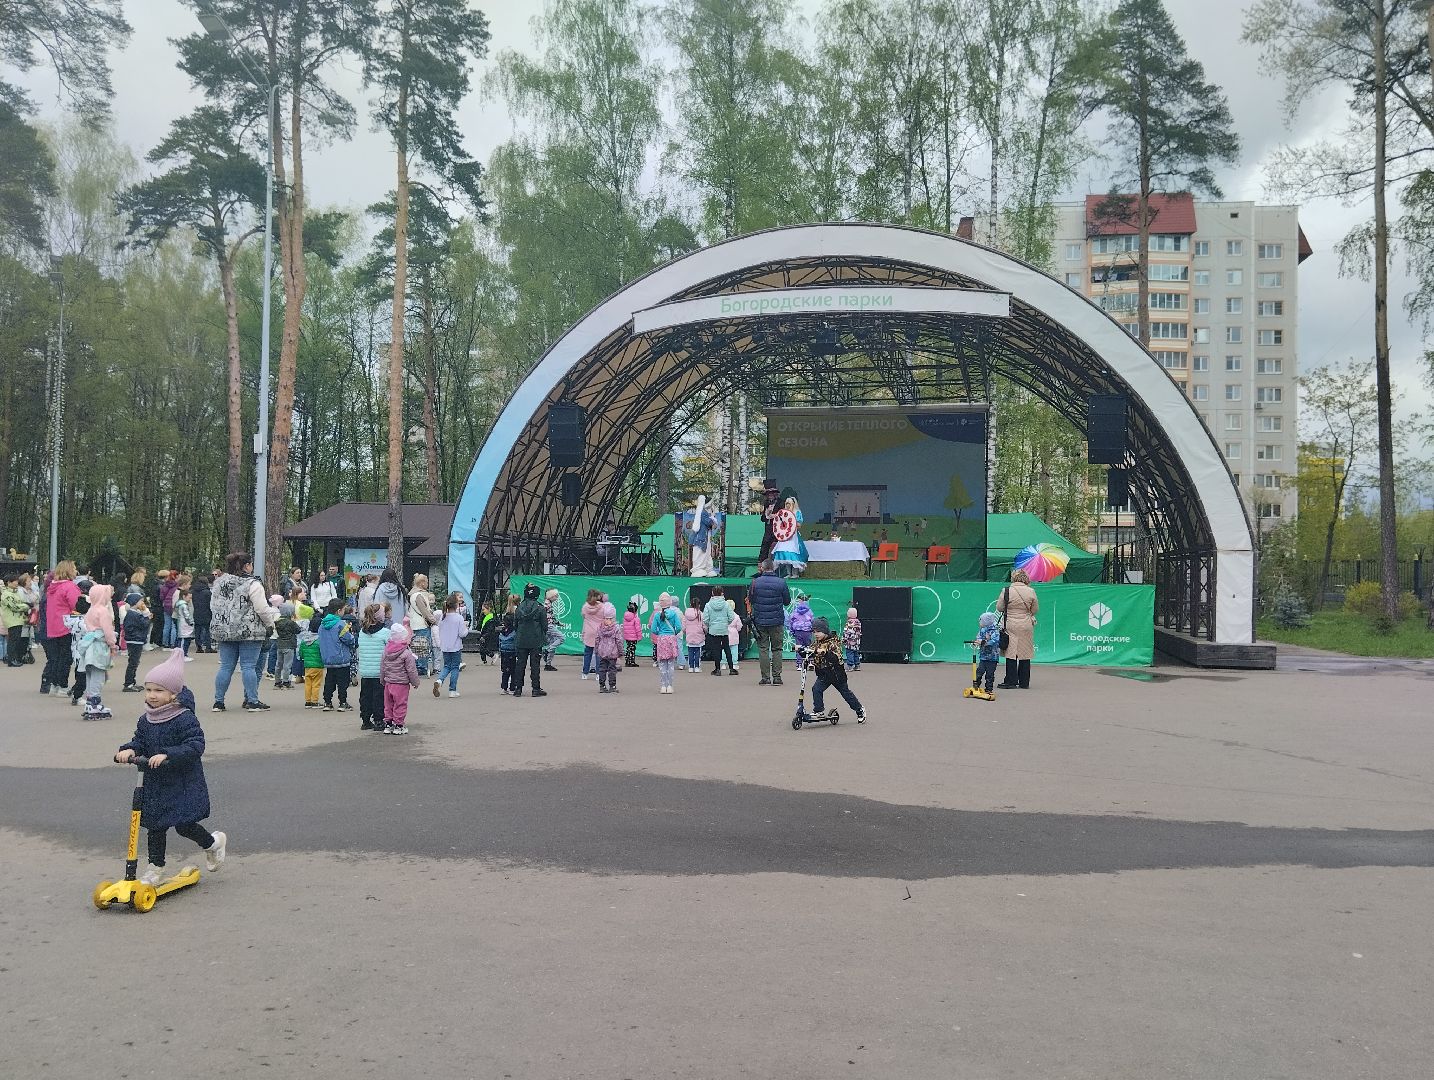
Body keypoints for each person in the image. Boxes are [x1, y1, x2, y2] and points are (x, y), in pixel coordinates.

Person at [114, 648, 227, 886]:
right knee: (155, 826)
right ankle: (155, 868)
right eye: (148, 690)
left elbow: (195, 745)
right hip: (155, 782)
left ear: (173, 694)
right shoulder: (146, 719)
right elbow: (140, 741)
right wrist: (130, 749)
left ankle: (213, 844)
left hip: (182, 782)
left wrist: (168, 754)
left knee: (184, 825)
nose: (152, 695)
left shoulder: (184, 717)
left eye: (159, 690)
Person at [209, 553, 278, 713]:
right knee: (248, 666)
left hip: (225, 630)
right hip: (249, 631)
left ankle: (218, 702)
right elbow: (261, 608)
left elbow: (213, 605)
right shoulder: (253, 584)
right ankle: (252, 701)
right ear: (247, 566)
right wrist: (270, 624)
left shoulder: (219, 583)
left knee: (226, 667)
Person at [808, 617, 866, 723]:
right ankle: (818, 711)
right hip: (824, 674)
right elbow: (811, 651)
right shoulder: (816, 642)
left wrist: (825, 653)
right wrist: (803, 651)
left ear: (825, 631)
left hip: (836, 674)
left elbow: (836, 658)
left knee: (846, 693)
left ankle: (859, 710)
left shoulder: (833, 642)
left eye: (818, 632)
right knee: (816, 689)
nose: (816, 634)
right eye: (814, 632)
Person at [748, 559, 790, 686]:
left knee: (763, 649)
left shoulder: (755, 582)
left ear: (762, 568)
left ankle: (765, 677)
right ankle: (777, 677)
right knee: (777, 649)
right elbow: (787, 601)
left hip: (760, 620)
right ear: (774, 568)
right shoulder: (781, 582)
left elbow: (751, 599)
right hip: (777, 621)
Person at [996, 569, 1039, 689]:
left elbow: (999, 608)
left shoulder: (1007, 590)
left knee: (1011, 652)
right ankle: (1024, 682)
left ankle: (1011, 680)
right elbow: (1035, 609)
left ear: (1013, 578)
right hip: (1026, 625)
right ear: (1026, 578)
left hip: (1010, 624)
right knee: (1025, 652)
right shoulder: (1031, 591)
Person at [43, 561, 81, 694]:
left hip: (53, 625)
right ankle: (63, 686)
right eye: (74, 568)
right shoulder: (69, 586)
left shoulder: (52, 587)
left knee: (56, 657)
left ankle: (54, 685)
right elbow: (77, 605)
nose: (76, 571)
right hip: (67, 626)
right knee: (66, 658)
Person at [355, 603, 391, 730]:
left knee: (365, 696)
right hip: (380, 671)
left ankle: (365, 720)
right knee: (379, 697)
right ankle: (379, 720)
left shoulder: (362, 632)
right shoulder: (385, 632)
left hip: (365, 670)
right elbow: (390, 649)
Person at [380, 622, 420, 734]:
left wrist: (382, 679)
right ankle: (399, 725)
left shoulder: (386, 651)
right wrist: (415, 682)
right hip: (401, 684)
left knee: (388, 704)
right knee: (400, 704)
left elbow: (382, 667)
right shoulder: (406, 653)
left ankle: (388, 724)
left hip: (388, 683)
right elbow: (411, 670)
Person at [318, 598, 356, 712]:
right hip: (341, 658)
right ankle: (342, 702)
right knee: (342, 682)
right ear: (339, 611)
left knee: (329, 680)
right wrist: (353, 638)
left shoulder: (322, 624)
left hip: (328, 658)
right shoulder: (340, 624)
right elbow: (348, 639)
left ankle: (327, 702)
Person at [511, 582, 549, 698]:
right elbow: (545, 626)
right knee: (535, 665)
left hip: (521, 639)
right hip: (536, 640)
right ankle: (535, 689)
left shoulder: (519, 608)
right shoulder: (540, 608)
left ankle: (518, 689)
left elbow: (515, 625)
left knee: (520, 664)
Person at [434, 592, 468, 698]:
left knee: (446, 666)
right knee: (455, 668)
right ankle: (452, 690)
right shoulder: (459, 618)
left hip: (445, 646)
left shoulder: (442, 617)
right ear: (456, 605)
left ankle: (439, 680)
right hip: (456, 646)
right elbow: (462, 633)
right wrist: (466, 628)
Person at [648, 592, 682, 694]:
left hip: (662, 640)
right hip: (671, 639)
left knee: (662, 664)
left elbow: (653, 629)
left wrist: (660, 633)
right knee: (670, 664)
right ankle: (670, 686)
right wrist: (673, 632)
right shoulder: (674, 614)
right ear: (670, 602)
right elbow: (679, 627)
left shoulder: (657, 615)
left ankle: (663, 686)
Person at [408, 573, 440, 677]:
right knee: (423, 646)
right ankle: (421, 667)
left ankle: (418, 666)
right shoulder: (418, 595)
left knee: (417, 646)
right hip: (421, 624)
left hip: (415, 624)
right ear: (422, 583)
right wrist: (433, 620)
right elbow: (424, 611)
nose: (427, 584)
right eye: (426, 582)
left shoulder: (413, 594)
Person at [120, 595, 152, 692]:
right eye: (140, 601)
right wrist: (147, 617)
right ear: (135, 602)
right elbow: (144, 624)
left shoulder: (134, 613)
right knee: (133, 663)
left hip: (135, 640)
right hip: (135, 640)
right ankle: (128, 684)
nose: (142, 603)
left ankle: (132, 682)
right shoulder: (133, 614)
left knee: (134, 662)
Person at [701, 585, 734, 676]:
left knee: (716, 649)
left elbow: (705, 619)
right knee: (727, 648)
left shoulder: (708, 605)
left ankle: (717, 669)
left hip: (713, 630)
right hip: (724, 629)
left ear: (712, 593)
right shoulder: (726, 604)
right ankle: (731, 669)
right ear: (722, 593)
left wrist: (710, 625)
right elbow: (731, 617)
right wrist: (725, 623)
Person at [771, 496, 808, 578]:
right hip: (784, 536)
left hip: (793, 536)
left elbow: (799, 524)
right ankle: (788, 573)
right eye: (786, 503)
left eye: (789, 503)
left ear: (793, 504)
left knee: (793, 554)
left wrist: (792, 523)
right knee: (785, 554)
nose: (787, 505)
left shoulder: (797, 512)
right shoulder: (783, 513)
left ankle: (795, 573)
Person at [594, 602, 623, 693]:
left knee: (602, 669)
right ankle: (612, 686)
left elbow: (597, 639)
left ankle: (602, 686)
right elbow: (619, 641)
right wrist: (621, 652)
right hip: (612, 653)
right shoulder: (616, 628)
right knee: (612, 669)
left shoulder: (600, 628)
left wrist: (596, 650)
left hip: (602, 652)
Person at [298, 612, 324, 708]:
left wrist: (303, 658)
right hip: (318, 664)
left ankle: (308, 701)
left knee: (308, 684)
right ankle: (314, 701)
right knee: (316, 684)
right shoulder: (320, 640)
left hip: (307, 665)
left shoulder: (305, 639)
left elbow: (301, 652)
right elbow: (322, 652)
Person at [1, 573, 28, 666]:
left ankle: (14, 659)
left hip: (17, 619)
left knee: (16, 640)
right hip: (12, 620)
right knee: (13, 641)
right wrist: (26, 606)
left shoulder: (14, 592)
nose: (17, 583)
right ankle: (11, 660)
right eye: (15, 581)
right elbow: (14, 606)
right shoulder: (6, 594)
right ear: (8, 582)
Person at [272, 603, 300, 691]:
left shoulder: (277, 622)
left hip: (280, 644)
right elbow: (298, 630)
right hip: (289, 645)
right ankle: (286, 682)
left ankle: (277, 682)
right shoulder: (291, 623)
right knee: (287, 665)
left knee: (278, 664)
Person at [974, 611, 1002, 697]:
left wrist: (985, 642)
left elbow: (995, 641)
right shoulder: (982, 630)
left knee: (990, 674)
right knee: (979, 671)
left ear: (986, 622)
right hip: (983, 656)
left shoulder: (995, 631)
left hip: (993, 657)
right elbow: (978, 637)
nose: (980, 623)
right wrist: (977, 641)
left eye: (981, 621)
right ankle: (976, 686)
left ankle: (989, 689)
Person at [579, 588, 603, 679]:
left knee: (587, 653)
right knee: (598, 654)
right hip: (599, 631)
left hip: (588, 631)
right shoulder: (602, 606)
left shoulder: (585, 606)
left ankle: (585, 673)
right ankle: (598, 674)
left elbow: (583, 616)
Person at [787, 592, 815, 665]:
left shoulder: (795, 611)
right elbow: (812, 621)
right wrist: (812, 629)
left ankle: (799, 663)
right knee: (809, 646)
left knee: (798, 647)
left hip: (798, 630)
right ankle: (810, 661)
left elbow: (791, 621)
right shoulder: (809, 611)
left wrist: (792, 631)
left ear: (799, 601)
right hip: (807, 631)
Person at [542, 588, 565, 672]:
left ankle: (548, 664)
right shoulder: (547, 604)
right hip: (549, 626)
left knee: (552, 643)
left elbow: (551, 616)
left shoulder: (549, 604)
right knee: (562, 638)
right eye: (556, 596)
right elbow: (543, 614)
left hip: (549, 625)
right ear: (551, 596)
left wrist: (558, 623)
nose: (557, 597)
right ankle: (547, 650)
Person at [191, 575, 213, 653]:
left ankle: (199, 647)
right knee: (207, 630)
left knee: (198, 630)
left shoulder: (193, 591)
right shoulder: (207, 592)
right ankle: (208, 647)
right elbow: (210, 604)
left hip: (196, 612)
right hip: (206, 612)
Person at [158, 570, 180, 648]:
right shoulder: (177, 586)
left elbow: (161, 597)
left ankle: (165, 643)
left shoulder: (164, 586)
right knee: (174, 625)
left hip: (166, 606)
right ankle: (173, 643)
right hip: (174, 606)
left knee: (167, 625)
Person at [681, 602, 704, 673]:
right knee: (697, 651)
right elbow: (704, 625)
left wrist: (686, 632)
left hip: (689, 635)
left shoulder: (686, 614)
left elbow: (683, 626)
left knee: (690, 651)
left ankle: (691, 667)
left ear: (690, 604)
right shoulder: (700, 614)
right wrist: (704, 631)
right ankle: (697, 667)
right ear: (699, 605)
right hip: (699, 635)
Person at [173, 586, 196, 660]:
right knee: (183, 641)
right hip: (184, 625)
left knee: (185, 640)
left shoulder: (180, 604)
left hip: (184, 624)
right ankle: (182, 656)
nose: (190, 599)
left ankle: (184, 655)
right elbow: (187, 615)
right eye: (189, 598)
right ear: (184, 596)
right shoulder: (183, 605)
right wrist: (191, 622)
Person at [497, 614, 517, 695]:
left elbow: (499, 642)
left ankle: (504, 688)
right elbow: (516, 642)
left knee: (505, 671)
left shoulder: (502, 632)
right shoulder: (514, 631)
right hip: (512, 652)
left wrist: (500, 651)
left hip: (504, 653)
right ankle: (512, 688)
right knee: (513, 671)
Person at [622, 601, 642, 668]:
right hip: (633, 637)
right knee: (632, 649)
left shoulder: (625, 618)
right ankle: (632, 662)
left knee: (628, 648)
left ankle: (627, 661)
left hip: (627, 637)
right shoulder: (636, 618)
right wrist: (639, 637)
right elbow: (638, 629)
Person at [725, 598, 742, 675]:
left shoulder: (723, 615)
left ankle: (724, 663)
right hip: (734, 634)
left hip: (725, 633)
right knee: (734, 649)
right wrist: (737, 630)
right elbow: (739, 626)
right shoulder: (736, 616)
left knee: (724, 649)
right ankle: (734, 663)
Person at [476, 600, 496, 664]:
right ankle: (484, 660)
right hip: (484, 634)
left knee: (483, 648)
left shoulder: (491, 617)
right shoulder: (485, 616)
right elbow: (481, 625)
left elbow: (490, 629)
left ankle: (493, 655)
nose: (483, 611)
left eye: (484, 609)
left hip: (487, 635)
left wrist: (484, 636)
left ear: (489, 609)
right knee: (482, 648)